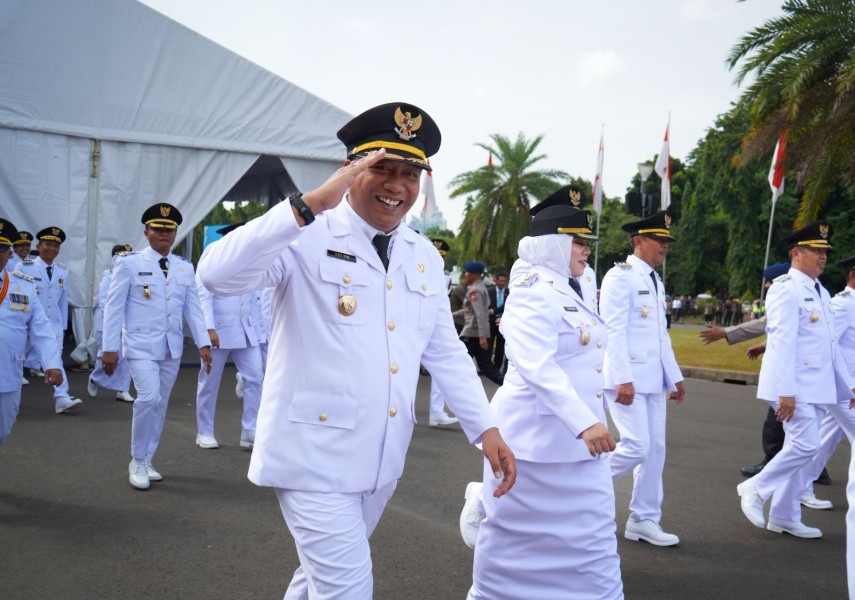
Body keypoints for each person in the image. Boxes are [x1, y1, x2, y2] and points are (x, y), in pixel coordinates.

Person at [196, 102, 516, 599]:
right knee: (346, 590)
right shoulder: (306, 233)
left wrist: (486, 428)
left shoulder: (422, 253)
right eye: (381, 169)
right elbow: (215, 275)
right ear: (350, 171)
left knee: (315, 582)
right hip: (312, 456)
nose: (396, 185)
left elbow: (443, 350)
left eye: (409, 173)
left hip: (381, 455)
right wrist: (308, 205)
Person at [466, 203, 622, 600]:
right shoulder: (532, 290)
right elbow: (535, 363)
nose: (586, 250)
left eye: (587, 242)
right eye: (577, 241)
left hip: (579, 445)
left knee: (596, 542)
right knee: (511, 543)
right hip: (533, 442)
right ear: (552, 244)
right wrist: (584, 420)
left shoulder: (581, 281)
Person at [737, 220, 855, 538]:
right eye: (815, 250)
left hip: (816, 385)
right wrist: (785, 392)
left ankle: (784, 514)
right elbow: (781, 343)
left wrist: (849, 386)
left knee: (802, 448)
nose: (822, 256)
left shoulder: (821, 290)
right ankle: (756, 489)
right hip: (793, 385)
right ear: (796, 253)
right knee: (806, 444)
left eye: (825, 251)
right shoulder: (785, 289)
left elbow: (831, 346)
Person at [101, 203, 212, 490]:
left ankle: (148, 458)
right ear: (146, 232)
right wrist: (109, 348)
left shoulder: (184, 267)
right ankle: (137, 459)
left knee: (160, 404)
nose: (164, 233)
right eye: (158, 229)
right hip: (139, 345)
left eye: (169, 229)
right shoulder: (128, 263)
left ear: (175, 234)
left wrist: (203, 343)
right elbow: (113, 308)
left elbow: (194, 310)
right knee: (148, 398)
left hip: (170, 347)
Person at [600, 210, 685, 546]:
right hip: (628, 380)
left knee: (655, 450)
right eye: (658, 240)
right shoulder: (620, 277)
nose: (664, 246)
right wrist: (622, 377)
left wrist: (674, 377)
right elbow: (613, 330)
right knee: (637, 445)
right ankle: (576, 493)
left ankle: (644, 519)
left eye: (666, 241)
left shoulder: (654, 279)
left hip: (652, 380)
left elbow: (660, 336)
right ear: (638, 241)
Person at [195, 223, 264, 450]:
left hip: (246, 330)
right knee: (209, 382)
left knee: (255, 378)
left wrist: (259, 329)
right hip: (219, 332)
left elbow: (256, 298)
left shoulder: (253, 258)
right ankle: (204, 431)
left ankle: (249, 430)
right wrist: (208, 329)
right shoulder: (214, 253)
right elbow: (203, 294)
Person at [0, 218, 64, 447]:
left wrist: (52, 363)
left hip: (7, 373)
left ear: (9, 253)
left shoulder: (23, 286)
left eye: (2, 248)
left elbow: (42, 330)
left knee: (2, 430)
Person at [16, 226, 83, 413]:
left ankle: (61, 396)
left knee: (55, 360)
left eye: (56, 245)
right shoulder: (24, 267)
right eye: (48, 244)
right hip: (27, 323)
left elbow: (62, 301)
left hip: (52, 324)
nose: (52, 249)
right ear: (39, 245)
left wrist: (61, 326)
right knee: (14, 358)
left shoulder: (63, 271)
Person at [87, 244, 136, 402]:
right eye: (121, 255)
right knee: (106, 357)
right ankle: (95, 377)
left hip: (128, 325)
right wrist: (116, 323)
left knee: (126, 358)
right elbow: (104, 304)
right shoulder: (109, 277)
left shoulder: (135, 275)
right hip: (108, 326)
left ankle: (122, 389)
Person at [454, 261, 505, 387]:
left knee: (460, 362)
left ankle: (506, 385)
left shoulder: (475, 291)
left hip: (473, 333)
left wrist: (482, 337)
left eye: (468, 272)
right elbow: (468, 310)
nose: (465, 275)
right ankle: (506, 384)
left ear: (474, 274)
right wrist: (449, 315)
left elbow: (480, 314)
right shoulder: (481, 287)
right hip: (475, 333)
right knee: (484, 365)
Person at [426, 238, 459, 427]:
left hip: (433, 326)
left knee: (443, 366)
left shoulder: (445, 277)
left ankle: (436, 411)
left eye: (441, 256)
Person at [487, 273, 508, 372]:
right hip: (491, 321)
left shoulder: (509, 292)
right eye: (501, 281)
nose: (503, 283)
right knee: (489, 345)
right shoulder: (489, 291)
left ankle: (497, 367)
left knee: (500, 345)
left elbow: (506, 307)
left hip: (503, 322)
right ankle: (487, 367)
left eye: (504, 281)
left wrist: (493, 310)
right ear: (496, 281)